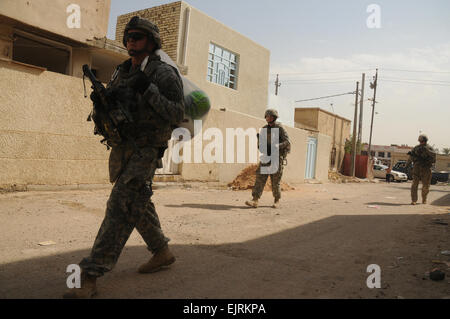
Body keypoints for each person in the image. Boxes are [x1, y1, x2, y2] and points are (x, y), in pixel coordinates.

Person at [63, 16, 184, 298]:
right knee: (138, 201)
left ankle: (90, 275)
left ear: (151, 42)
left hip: (146, 149)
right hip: (123, 148)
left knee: (122, 204)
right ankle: (162, 252)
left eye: (138, 36)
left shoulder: (164, 73)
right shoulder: (121, 71)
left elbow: (178, 114)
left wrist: (148, 89)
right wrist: (102, 102)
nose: (131, 40)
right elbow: (118, 102)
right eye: (129, 36)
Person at [245, 109, 291, 209]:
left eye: (270, 116)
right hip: (266, 157)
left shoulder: (280, 128)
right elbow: (260, 146)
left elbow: (287, 142)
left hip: (276, 158)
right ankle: (255, 200)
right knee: (260, 178)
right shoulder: (264, 129)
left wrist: (277, 145)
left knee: (275, 181)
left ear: (274, 117)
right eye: (267, 116)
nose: (268, 118)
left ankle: (277, 200)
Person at [405, 134, 436, 205]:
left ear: (425, 140)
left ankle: (424, 199)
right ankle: (414, 200)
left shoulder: (429, 148)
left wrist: (427, 151)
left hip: (426, 168)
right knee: (414, 184)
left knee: (426, 185)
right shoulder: (416, 148)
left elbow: (434, 157)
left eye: (422, 141)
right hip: (417, 167)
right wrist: (407, 165)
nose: (421, 142)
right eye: (420, 141)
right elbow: (411, 157)